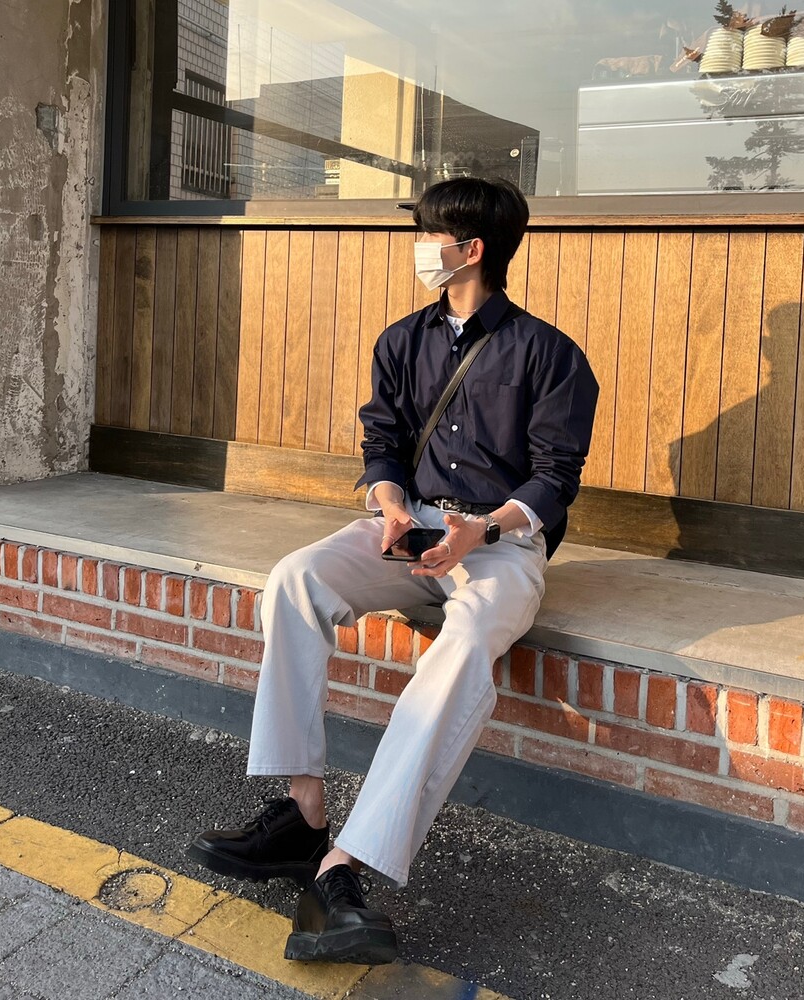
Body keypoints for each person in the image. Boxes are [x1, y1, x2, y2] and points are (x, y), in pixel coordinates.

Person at [188, 176, 599, 965]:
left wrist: (483, 529)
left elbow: (554, 479)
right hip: (407, 528)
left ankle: (346, 865)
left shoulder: (550, 354)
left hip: (500, 544)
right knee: (297, 577)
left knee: (467, 643)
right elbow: (382, 443)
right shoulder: (402, 340)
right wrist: (389, 505)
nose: (419, 249)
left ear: (470, 249)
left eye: (429, 235)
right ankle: (304, 815)